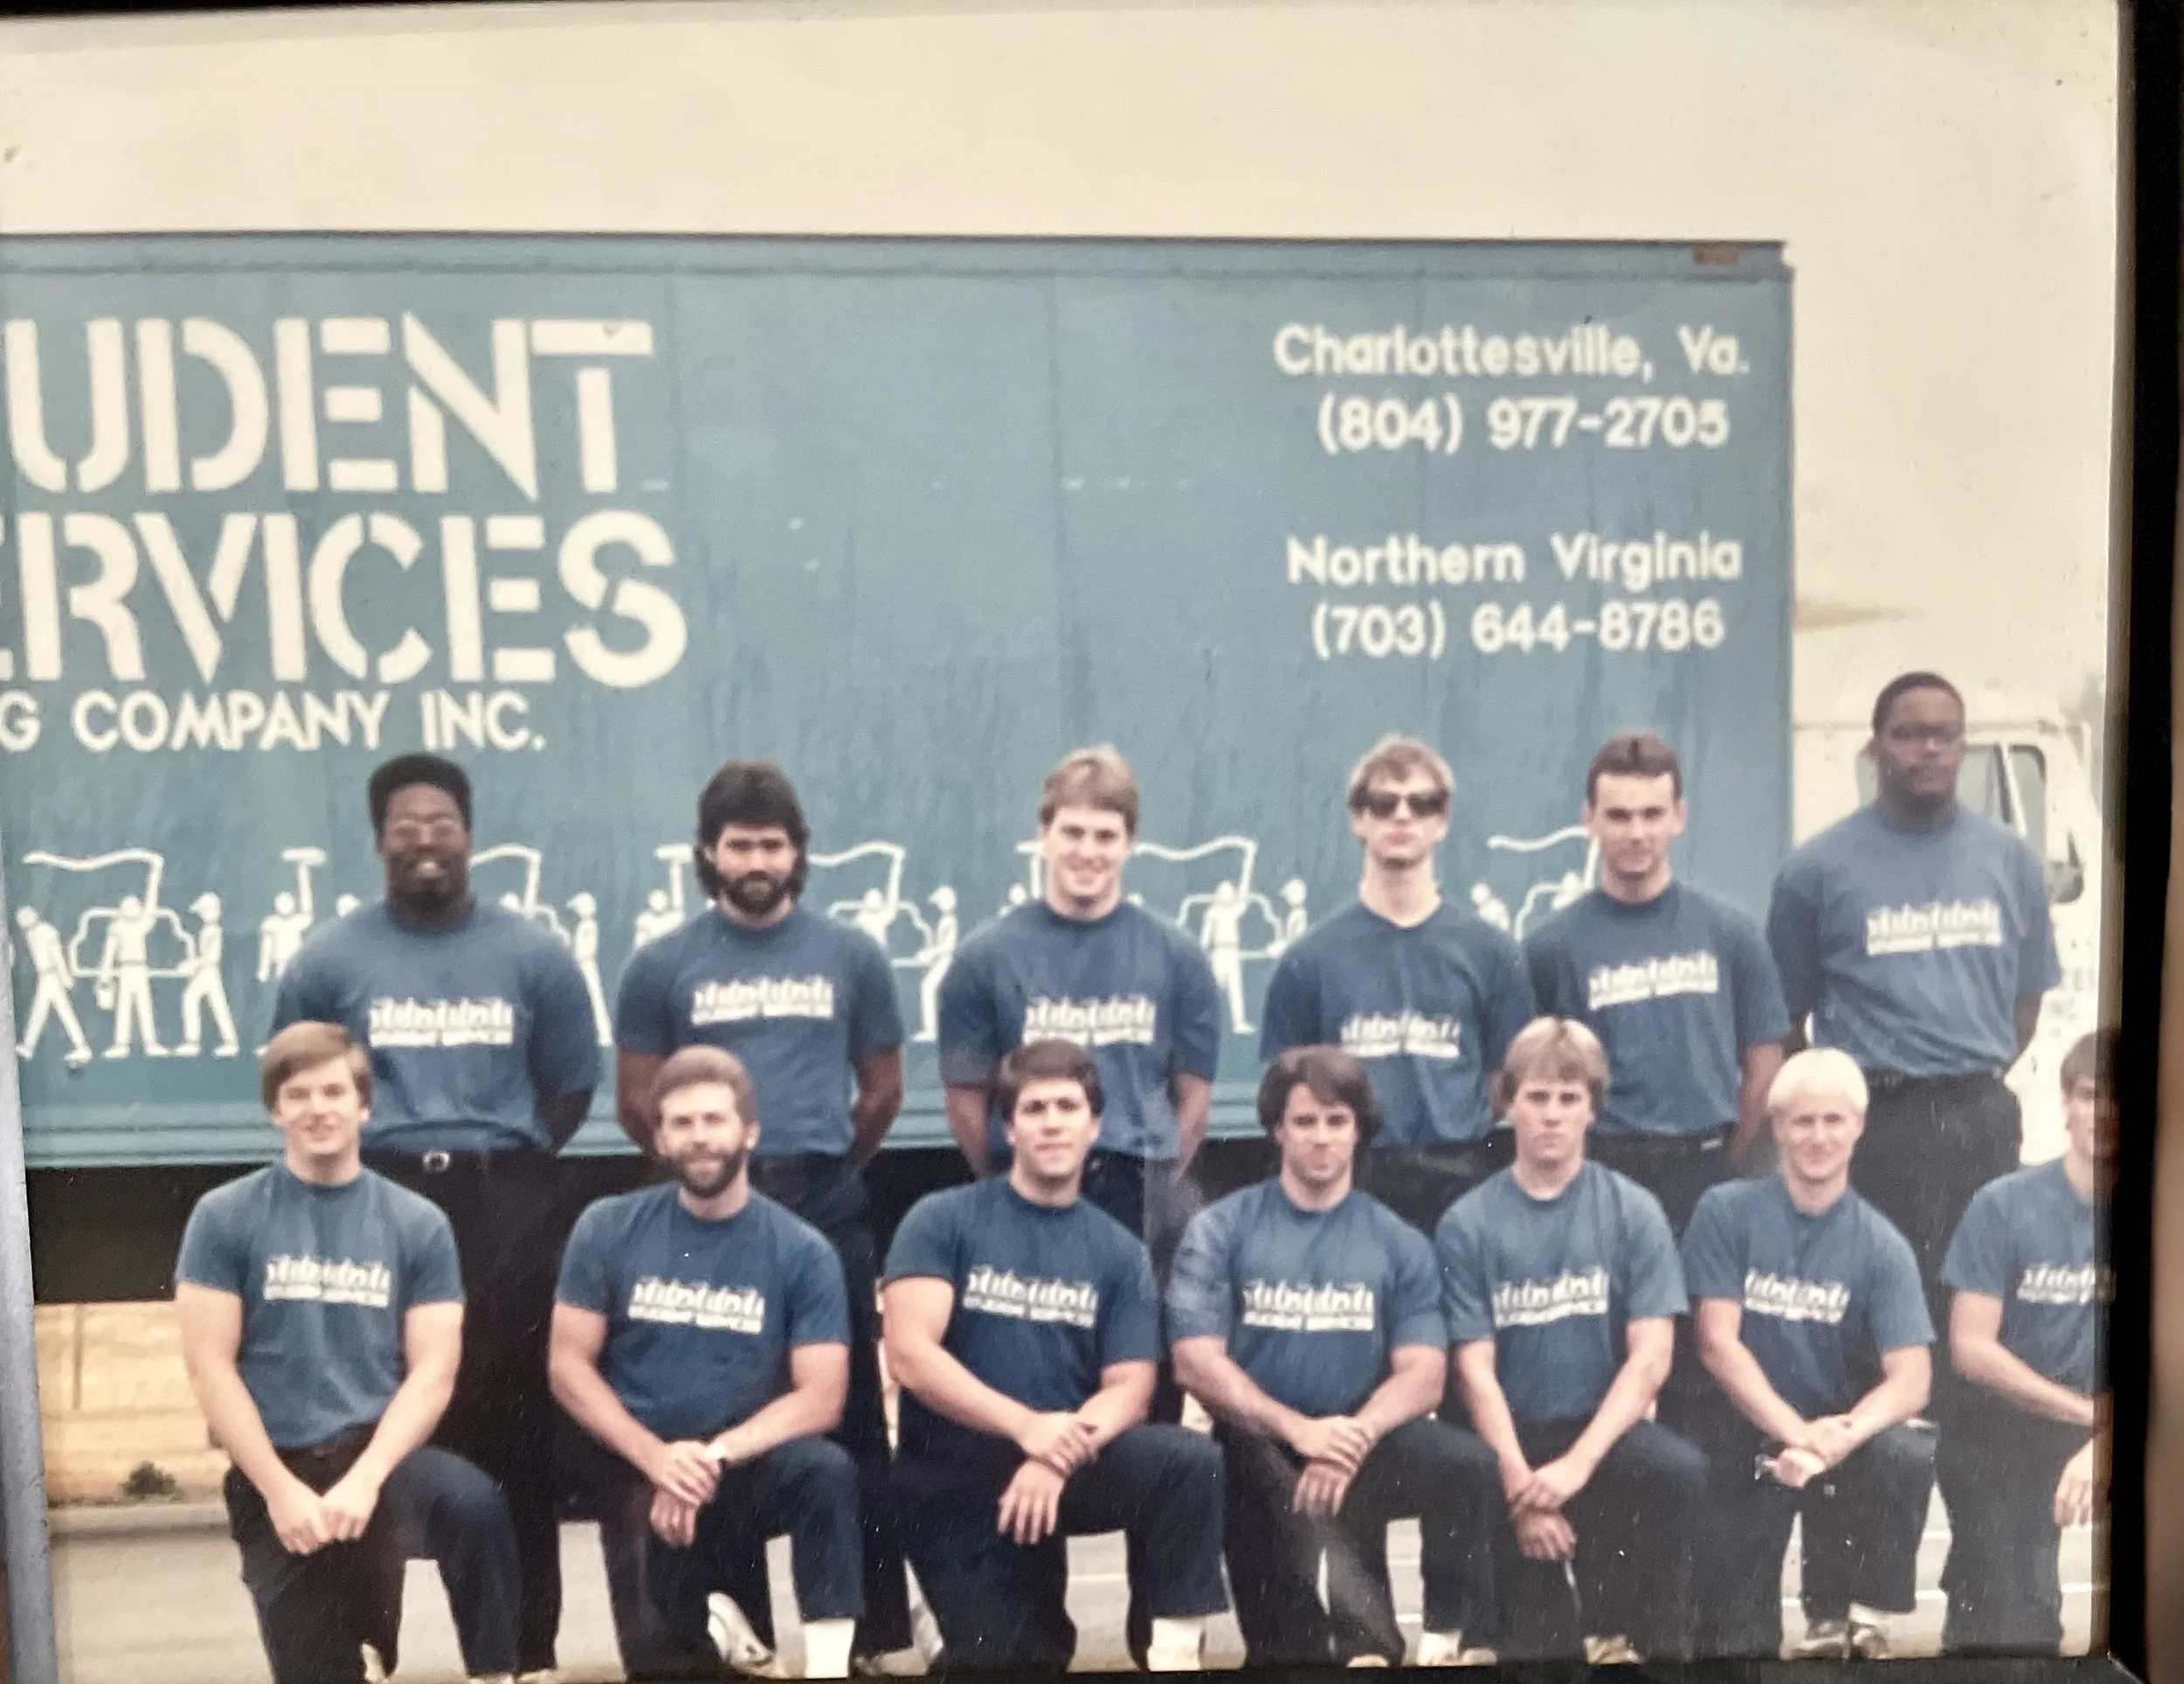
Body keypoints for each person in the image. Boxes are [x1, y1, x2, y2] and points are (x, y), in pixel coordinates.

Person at [272, 753, 600, 1679]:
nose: (425, 840)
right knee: (377, 1427)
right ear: (379, 840)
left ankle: (523, 1650)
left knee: (513, 1431)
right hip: (376, 1197)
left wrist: (494, 1166)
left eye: (442, 823)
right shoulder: (330, 959)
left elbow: (569, 1086)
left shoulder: (532, 953)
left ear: (470, 834)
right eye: (406, 825)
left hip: (503, 1202)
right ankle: (373, 1643)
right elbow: (298, 1071)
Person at [614, 760, 916, 1666]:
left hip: (820, 1195)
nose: (756, 859)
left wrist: (808, 1169)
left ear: (798, 853)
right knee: (726, 1399)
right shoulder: (662, 964)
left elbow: (883, 1086)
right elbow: (636, 1097)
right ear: (708, 852)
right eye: (739, 843)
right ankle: (735, 1631)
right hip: (709, 1206)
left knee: (851, 1419)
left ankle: (869, 1634)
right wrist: (712, 1167)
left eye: (773, 844)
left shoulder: (850, 954)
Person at [176, 1021, 519, 1684]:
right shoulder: (224, 1217)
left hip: (380, 1464)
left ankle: (496, 1673)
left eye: (334, 1091)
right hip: (278, 1471)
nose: (318, 1108)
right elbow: (208, 1368)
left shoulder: (416, 1223)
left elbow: (433, 1369)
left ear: (364, 1105)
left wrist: (367, 1478)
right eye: (297, 1094)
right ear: (275, 1110)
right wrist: (279, 1490)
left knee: (474, 1505)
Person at [883, 1039, 1228, 1673]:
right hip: (960, 1479)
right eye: (1033, 1107)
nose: (1051, 1121)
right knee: (1013, 1661)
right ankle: (943, 1616)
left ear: (1093, 1125)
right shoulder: (942, 1220)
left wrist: (1057, 1452)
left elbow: (1130, 1385)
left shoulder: (1117, 1251)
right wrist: (1025, 1427)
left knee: (1187, 1461)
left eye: (1067, 1106)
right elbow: (909, 1355)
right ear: (1008, 1127)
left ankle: (1174, 1653)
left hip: (1065, 1467)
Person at [1168, 1046, 1499, 1667]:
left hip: (1360, 1439)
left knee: (1465, 1464)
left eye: (1336, 1121)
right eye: (1305, 1122)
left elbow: (1424, 1375)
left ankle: (1447, 1639)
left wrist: (1352, 1436)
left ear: (1359, 1130)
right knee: (1285, 1653)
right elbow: (1194, 1361)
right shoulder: (1221, 1228)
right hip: (1260, 1448)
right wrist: (1299, 1430)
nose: (1321, 1138)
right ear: (1276, 1129)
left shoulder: (1398, 1241)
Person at [550, 1046, 863, 1681]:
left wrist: (713, 1456)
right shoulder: (608, 1227)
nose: (700, 1139)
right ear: (660, 1137)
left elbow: (822, 1396)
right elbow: (568, 1367)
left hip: (742, 1462)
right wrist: (656, 1459)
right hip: (639, 1466)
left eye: (714, 1121)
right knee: (668, 1663)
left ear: (749, 1130)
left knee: (824, 1471)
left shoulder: (802, 1249)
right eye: (683, 1123)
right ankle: (717, 1632)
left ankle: (828, 1667)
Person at [1766, 672, 2061, 1328]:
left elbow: (2026, 1003)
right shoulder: (1816, 870)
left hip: (1978, 1113)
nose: (1928, 749)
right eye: (1909, 735)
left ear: (1962, 746)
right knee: (1879, 1303)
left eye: (1944, 735)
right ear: (1876, 748)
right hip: (1877, 1120)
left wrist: (1960, 1075)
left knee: (1979, 1301)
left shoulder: (2010, 860)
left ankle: (1963, 1431)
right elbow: (1786, 1021)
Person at [937, 745, 1222, 1416]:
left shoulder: (1176, 956)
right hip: (1030, 1187)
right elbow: (966, 1102)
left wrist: (1152, 1175)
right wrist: (1018, 1175)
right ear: (1043, 833)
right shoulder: (985, 957)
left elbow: (1195, 1099)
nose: (1087, 851)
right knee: (1037, 1374)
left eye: (1105, 835)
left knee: (1143, 1382)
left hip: (1137, 1186)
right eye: (1072, 832)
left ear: (1130, 843)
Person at [1436, 1017, 1703, 1664]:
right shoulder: (1468, 1222)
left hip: (1599, 1438)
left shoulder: (1632, 1210)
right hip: (1515, 1444)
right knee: (1541, 1652)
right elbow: (1474, 1371)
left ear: (1592, 1108)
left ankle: (1644, 1631)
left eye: (1568, 1099)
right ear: (1508, 1104)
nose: (1552, 1116)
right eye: (1536, 1097)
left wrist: (1577, 1467)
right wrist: (1524, 1493)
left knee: (1678, 1471)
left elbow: (1651, 1358)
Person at [1683, 1048, 1937, 1660]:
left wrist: (1840, 1437)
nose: (1818, 1137)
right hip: (1743, 1427)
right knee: (1732, 1642)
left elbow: (1913, 1378)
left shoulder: (1882, 1243)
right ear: (1777, 1127)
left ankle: (1849, 1613)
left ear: (1859, 1126)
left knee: (1903, 1446)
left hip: (1832, 1436)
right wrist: (1796, 1434)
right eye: (1802, 1121)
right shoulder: (1726, 1211)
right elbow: (1717, 1344)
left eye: (1833, 1120)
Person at [1261, 735, 1536, 1236]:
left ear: (1442, 822)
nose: (1402, 817)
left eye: (1422, 804)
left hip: (1461, 1177)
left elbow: (1506, 1082)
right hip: (1355, 1180)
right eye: (1384, 804)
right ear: (1358, 820)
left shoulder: (1492, 953)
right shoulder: (1309, 961)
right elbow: (1287, 1085)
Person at [1524, 732, 1788, 1233]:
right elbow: (1530, 1080)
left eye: (1652, 813)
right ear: (1590, 819)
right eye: (1620, 816)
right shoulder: (1551, 947)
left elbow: (1765, 1066)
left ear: (1678, 816)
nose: (1637, 832)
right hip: (1602, 1173)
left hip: (1707, 1169)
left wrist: (1729, 1162)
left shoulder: (1731, 933)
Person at [1936, 1028, 2113, 1654]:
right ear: (2064, 1103)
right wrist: (2086, 1417)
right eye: (2092, 1095)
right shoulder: (2005, 1204)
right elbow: (1971, 1348)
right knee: (2011, 1620)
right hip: (2017, 1420)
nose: (2106, 1113)